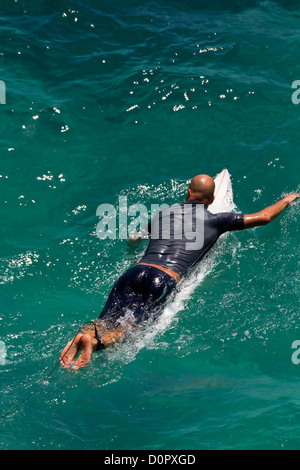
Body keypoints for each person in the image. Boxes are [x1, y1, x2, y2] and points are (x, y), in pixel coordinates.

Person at [60, 174, 299, 369]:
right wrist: (287, 199)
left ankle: (84, 335)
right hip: (163, 279)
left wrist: (132, 254)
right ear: (212, 198)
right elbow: (265, 216)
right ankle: (96, 343)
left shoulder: (164, 213)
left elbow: (134, 239)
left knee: (105, 320)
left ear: (187, 192)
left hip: (135, 272)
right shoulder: (216, 220)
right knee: (132, 330)